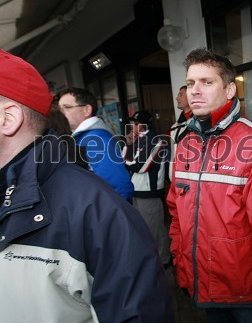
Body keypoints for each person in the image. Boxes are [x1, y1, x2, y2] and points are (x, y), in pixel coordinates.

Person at [0, 49, 173, 322]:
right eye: (63, 106)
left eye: (68, 107)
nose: (61, 111)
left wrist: (98, 219)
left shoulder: (95, 142)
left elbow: (122, 181)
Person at [167, 48, 252, 322]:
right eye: (190, 83)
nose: (194, 91)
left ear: (230, 89)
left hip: (246, 297)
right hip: (204, 288)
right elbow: (176, 214)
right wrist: (183, 267)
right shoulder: (185, 143)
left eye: (206, 82)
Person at [58, 87, 134, 203]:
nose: (61, 113)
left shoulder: (95, 139)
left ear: (87, 110)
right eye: (60, 109)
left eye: (67, 107)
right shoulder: (86, 136)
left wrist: (108, 217)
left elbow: (119, 186)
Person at [122, 110, 171, 266]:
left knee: (155, 230)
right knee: (141, 230)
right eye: (132, 123)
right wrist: (128, 147)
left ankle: (164, 261)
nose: (132, 126)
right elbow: (122, 160)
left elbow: (140, 166)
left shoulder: (157, 141)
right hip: (134, 191)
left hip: (149, 193)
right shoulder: (135, 140)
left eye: (135, 123)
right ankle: (151, 260)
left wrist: (128, 159)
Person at [167, 85, 192, 181]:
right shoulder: (174, 127)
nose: (177, 98)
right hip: (176, 178)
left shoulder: (202, 123)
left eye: (181, 94)